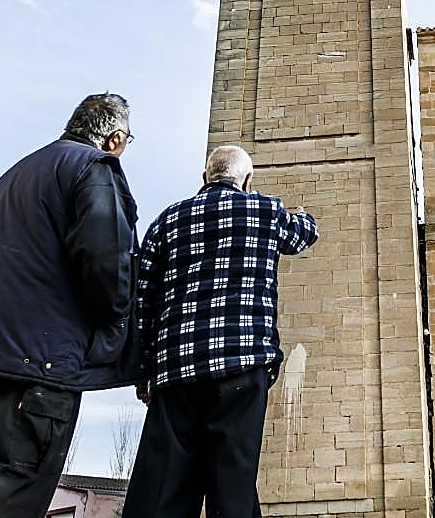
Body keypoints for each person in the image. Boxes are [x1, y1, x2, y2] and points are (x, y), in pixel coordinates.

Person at [0, 93, 139, 518]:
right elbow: (106, 264)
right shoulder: (94, 168)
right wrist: (116, 322)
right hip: (38, 365)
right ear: (114, 138)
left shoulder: (18, 172)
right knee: (11, 492)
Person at [122, 145, 318, 518]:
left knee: (163, 488)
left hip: (176, 370)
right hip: (242, 366)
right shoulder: (265, 210)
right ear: (247, 180)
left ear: (205, 177)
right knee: (232, 485)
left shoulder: (167, 221)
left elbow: (143, 302)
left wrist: (143, 372)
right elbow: (305, 234)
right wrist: (301, 214)